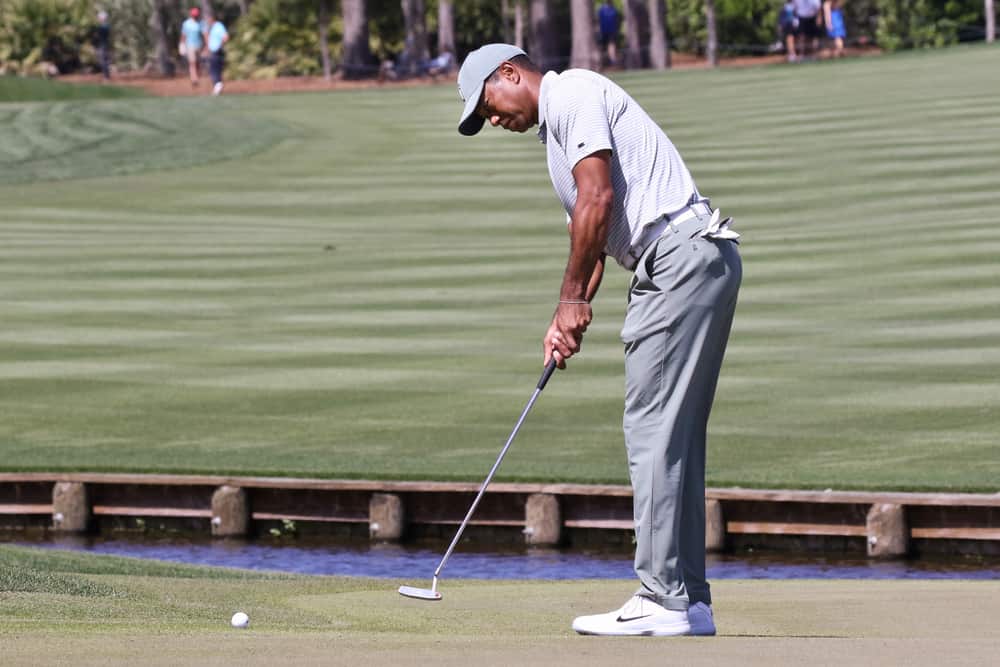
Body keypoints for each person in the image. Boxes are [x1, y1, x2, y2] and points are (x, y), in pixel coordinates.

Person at [455, 44, 741, 637]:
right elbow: (591, 242)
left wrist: (570, 301)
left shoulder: (575, 93)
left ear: (510, 73)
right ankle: (689, 600)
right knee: (674, 433)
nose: (493, 120)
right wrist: (564, 318)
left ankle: (663, 599)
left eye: (488, 105)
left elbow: (599, 198)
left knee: (652, 427)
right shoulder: (557, 142)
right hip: (689, 258)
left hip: (678, 259)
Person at [203, 13, 229, 95]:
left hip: (217, 51)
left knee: (215, 69)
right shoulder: (212, 28)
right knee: (213, 69)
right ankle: (217, 85)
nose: (207, 21)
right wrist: (206, 49)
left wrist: (219, 46)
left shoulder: (219, 26)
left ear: (212, 18)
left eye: (208, 19)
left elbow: (225, 37)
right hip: (213, 51)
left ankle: (218, 85)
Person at [180, 7, 204, 87]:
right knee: (192, 62)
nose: (195, 17)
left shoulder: (200, 23)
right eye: (194, 15)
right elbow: (183, 35)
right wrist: (182, 45)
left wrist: (206, 45)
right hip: (190, 45)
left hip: (199, 46)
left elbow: (203, 34)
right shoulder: (186, 24)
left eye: (196, 15)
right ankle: (194, 79)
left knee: (198, 63)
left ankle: (196, 76)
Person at [597, 2, 621, 66]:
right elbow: (598, 21)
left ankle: (613, 60)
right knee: (601, 47)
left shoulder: (614, 10)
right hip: (603, 31)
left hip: (612, 31)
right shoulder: (601, 10)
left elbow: (617, 20)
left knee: (611, 45)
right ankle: (600, 61)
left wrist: (617, 29)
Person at [93, 10, 111, 80]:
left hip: (102, 45)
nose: (98, 19)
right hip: (104, 44)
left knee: (103, 60)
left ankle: (106, 76)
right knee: (104, 60)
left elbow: (98, 35)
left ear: (102, 18)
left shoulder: (103, 27)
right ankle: (106, 75)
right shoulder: (105, 26)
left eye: (99, 17)